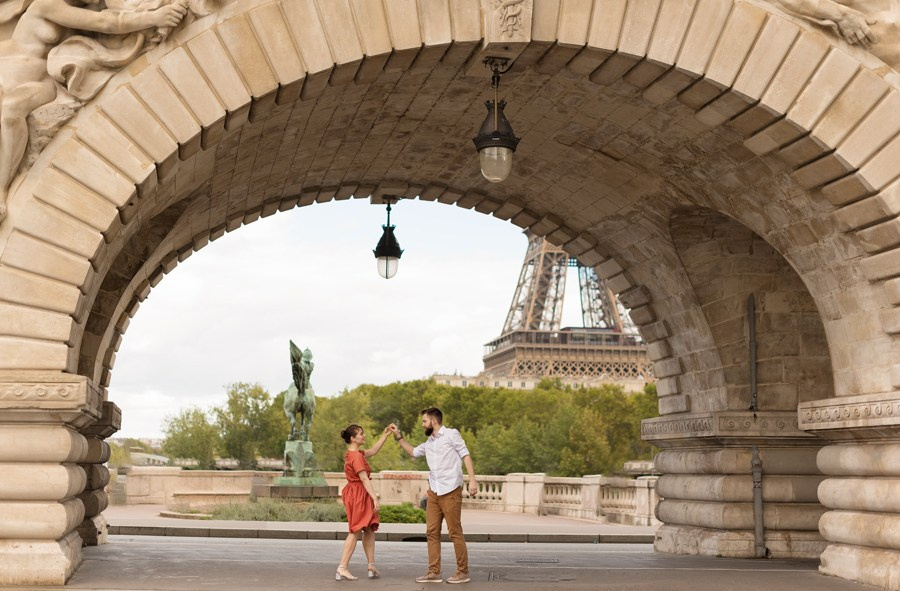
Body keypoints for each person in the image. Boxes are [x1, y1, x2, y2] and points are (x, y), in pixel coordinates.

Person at [0, 0, 188, 222]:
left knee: (11, 110)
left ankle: (1, 188)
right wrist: (155, 18)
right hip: (9, 78)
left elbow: (106, 20)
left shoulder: (77, 9)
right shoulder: (45, 4)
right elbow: (103, 21)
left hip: (38, 83)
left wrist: (155, 17)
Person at [394, 407, 477, 584]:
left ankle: (462, 572)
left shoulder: (451, 434)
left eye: (424, 421)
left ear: (434, 421)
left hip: (451, 490)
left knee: (455, 532)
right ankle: (434, 572)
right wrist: (399, 436)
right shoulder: (429, 443)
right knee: (432, 532)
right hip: (434, 492)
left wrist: (472, 480)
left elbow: (466, 455)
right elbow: (413, 452)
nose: (422, 424)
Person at [336, 423, 395, 581]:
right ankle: (342, 567)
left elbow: (374, 451)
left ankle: (371, 565)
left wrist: (385, 435)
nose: (364, 436)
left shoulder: (355, 454)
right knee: (355, 530)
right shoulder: (356, 457)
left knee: (368, 529)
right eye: (361, 434)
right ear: (353, 438)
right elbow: (363, 478)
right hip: (359, 493)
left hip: (358, 492)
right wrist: (375, 498)